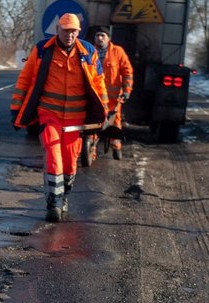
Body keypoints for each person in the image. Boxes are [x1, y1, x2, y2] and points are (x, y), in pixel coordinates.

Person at [11, 13, 108, 223]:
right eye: (65, 30)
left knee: (70, 161)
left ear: (79, 32)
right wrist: (16, 108)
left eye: (73, 31)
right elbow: (25, 79)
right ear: (57, 30)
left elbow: (99, 83)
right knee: (54, 156)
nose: (69, 35)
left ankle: (64, 196)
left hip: (76, 119)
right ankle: (53, 203)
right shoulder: (42, 50)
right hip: (50, 115)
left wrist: (104, 111)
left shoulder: (88, 52)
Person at [93, 25, 133, 160]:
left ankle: (116, 148)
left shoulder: (117, 52)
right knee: (93, 123)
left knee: (115, 123)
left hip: (113, 100)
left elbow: (127, 72)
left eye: (102, 35)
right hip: (95, 97)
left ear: (108, 38)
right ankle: (90, 150)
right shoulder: (89, 51)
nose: (100, 38)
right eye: (97, 35)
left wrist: (127, 91)